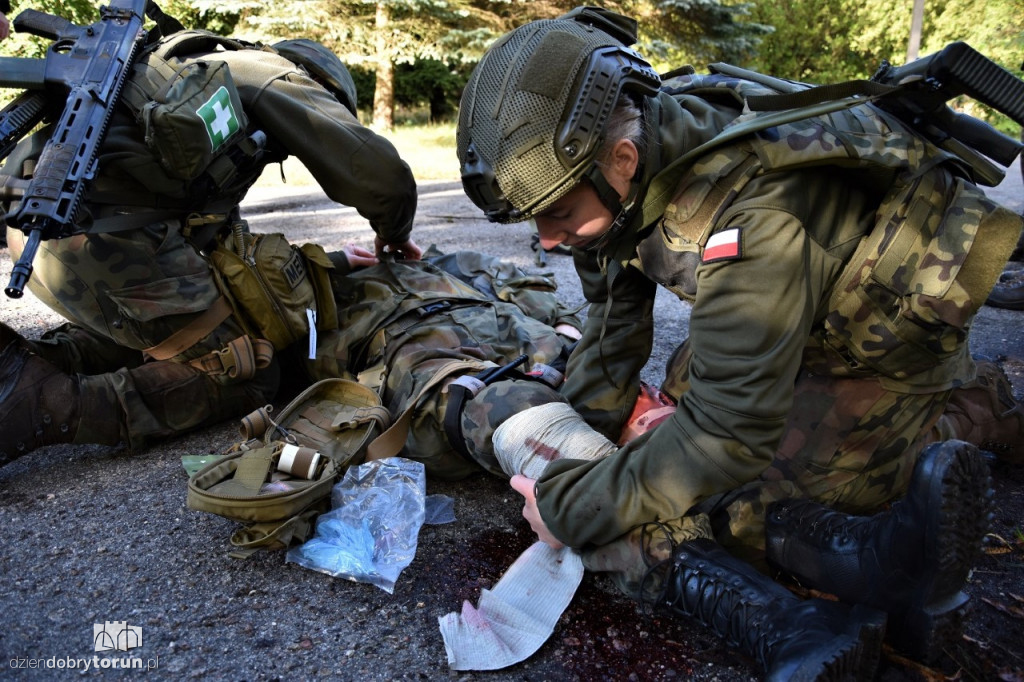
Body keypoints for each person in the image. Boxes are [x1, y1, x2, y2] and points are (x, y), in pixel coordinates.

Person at [455, 7, 1024, 679]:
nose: (547, 241)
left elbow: (727, 435)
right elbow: (611, 328)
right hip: (793, 326)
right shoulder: (618, 185)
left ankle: (977, 406)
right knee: (667, 439)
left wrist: (573, 507)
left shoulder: (756, 216)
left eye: (556, 216)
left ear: (623, 158)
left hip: (878, 353)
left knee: (735, 491)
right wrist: (582, 451)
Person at [0, 25, 418, 463]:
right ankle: (47, 405)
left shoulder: (192, 79)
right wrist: (394, 232)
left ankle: (21, 364)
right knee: (246, 368)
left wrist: (332, 262)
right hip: (101, 240)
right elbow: (379, 174)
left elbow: (218, 252)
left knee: (182, 327)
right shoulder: (276, 77)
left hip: (42, 237)